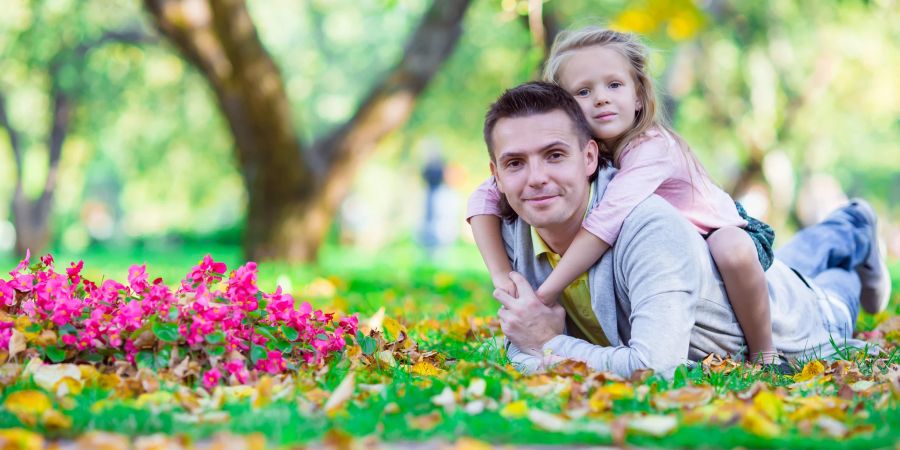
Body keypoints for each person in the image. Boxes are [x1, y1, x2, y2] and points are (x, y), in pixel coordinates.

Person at [480, 80, 891, 378]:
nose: (535, 178)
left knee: (834, 286)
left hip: (799, 318)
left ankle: (854, 225)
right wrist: (536, 341)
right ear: (496, 174)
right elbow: (515, 342)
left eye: (554, 155)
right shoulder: (512, 229)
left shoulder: (648, 227)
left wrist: (549, 346)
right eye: (516, 163)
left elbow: (654, 368)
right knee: (794, 261)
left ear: (590, 158)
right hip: (741, 276)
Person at [472, 27, 778, 366]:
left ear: (638, 96)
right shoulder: (582, 149)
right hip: (676, 239)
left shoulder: (651, 147)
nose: (601, 98)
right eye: (583, 91)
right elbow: (482, 196)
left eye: (614, 85)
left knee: (732, 249)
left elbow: (604, 224)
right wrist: (503, 280)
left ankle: (764, 352)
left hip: (717, 227)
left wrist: (542, 297)